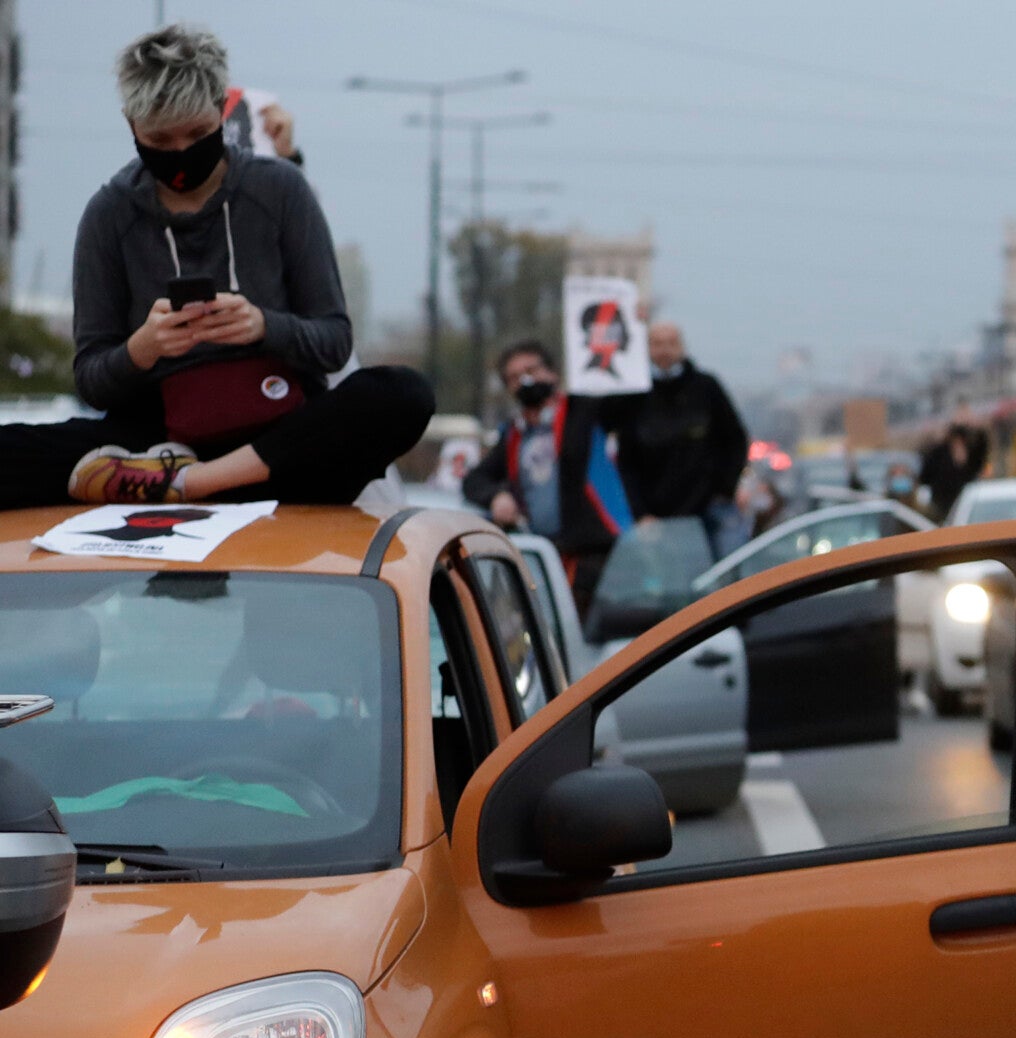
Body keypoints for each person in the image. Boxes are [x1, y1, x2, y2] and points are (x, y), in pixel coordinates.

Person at [0, 24, 432, 510]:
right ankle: (178, 478)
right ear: (131, 125)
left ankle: (192, 486)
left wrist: (262, 325)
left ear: (221, 110)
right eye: (160, 139)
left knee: (403, 394)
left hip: (277, 435)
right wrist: (143, 348)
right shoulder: (109, 214)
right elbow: (92, 379)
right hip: (154, 440)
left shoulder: (280, 189)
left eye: (198, 134)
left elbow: (333, 342)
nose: (181, 152)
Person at [462, 338, 635, 614]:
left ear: (553, 373)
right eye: (515, 377)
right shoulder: (514, 434)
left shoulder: (585, 412)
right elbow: (473, 481)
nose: (525, 381)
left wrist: (632, 330)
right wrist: (497, 496)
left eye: (532, 370)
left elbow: (631, 397)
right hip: (542, 555)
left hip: (592, 552)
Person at [622, 320, 750, 555]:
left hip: (711, 509)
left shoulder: (706, 388)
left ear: (682, 347)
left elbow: (735, 439)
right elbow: (626, 460)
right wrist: (640, 512)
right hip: (659, 518)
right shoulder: (633, 395)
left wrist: (726, 489)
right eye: (658, 344)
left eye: (671, 343)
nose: (665, 351)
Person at [917, 420, 985, 520]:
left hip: (965, 501)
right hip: (941, 503)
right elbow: (925, 475)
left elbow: (979, 463)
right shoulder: (938, 454)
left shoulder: (971, 452)